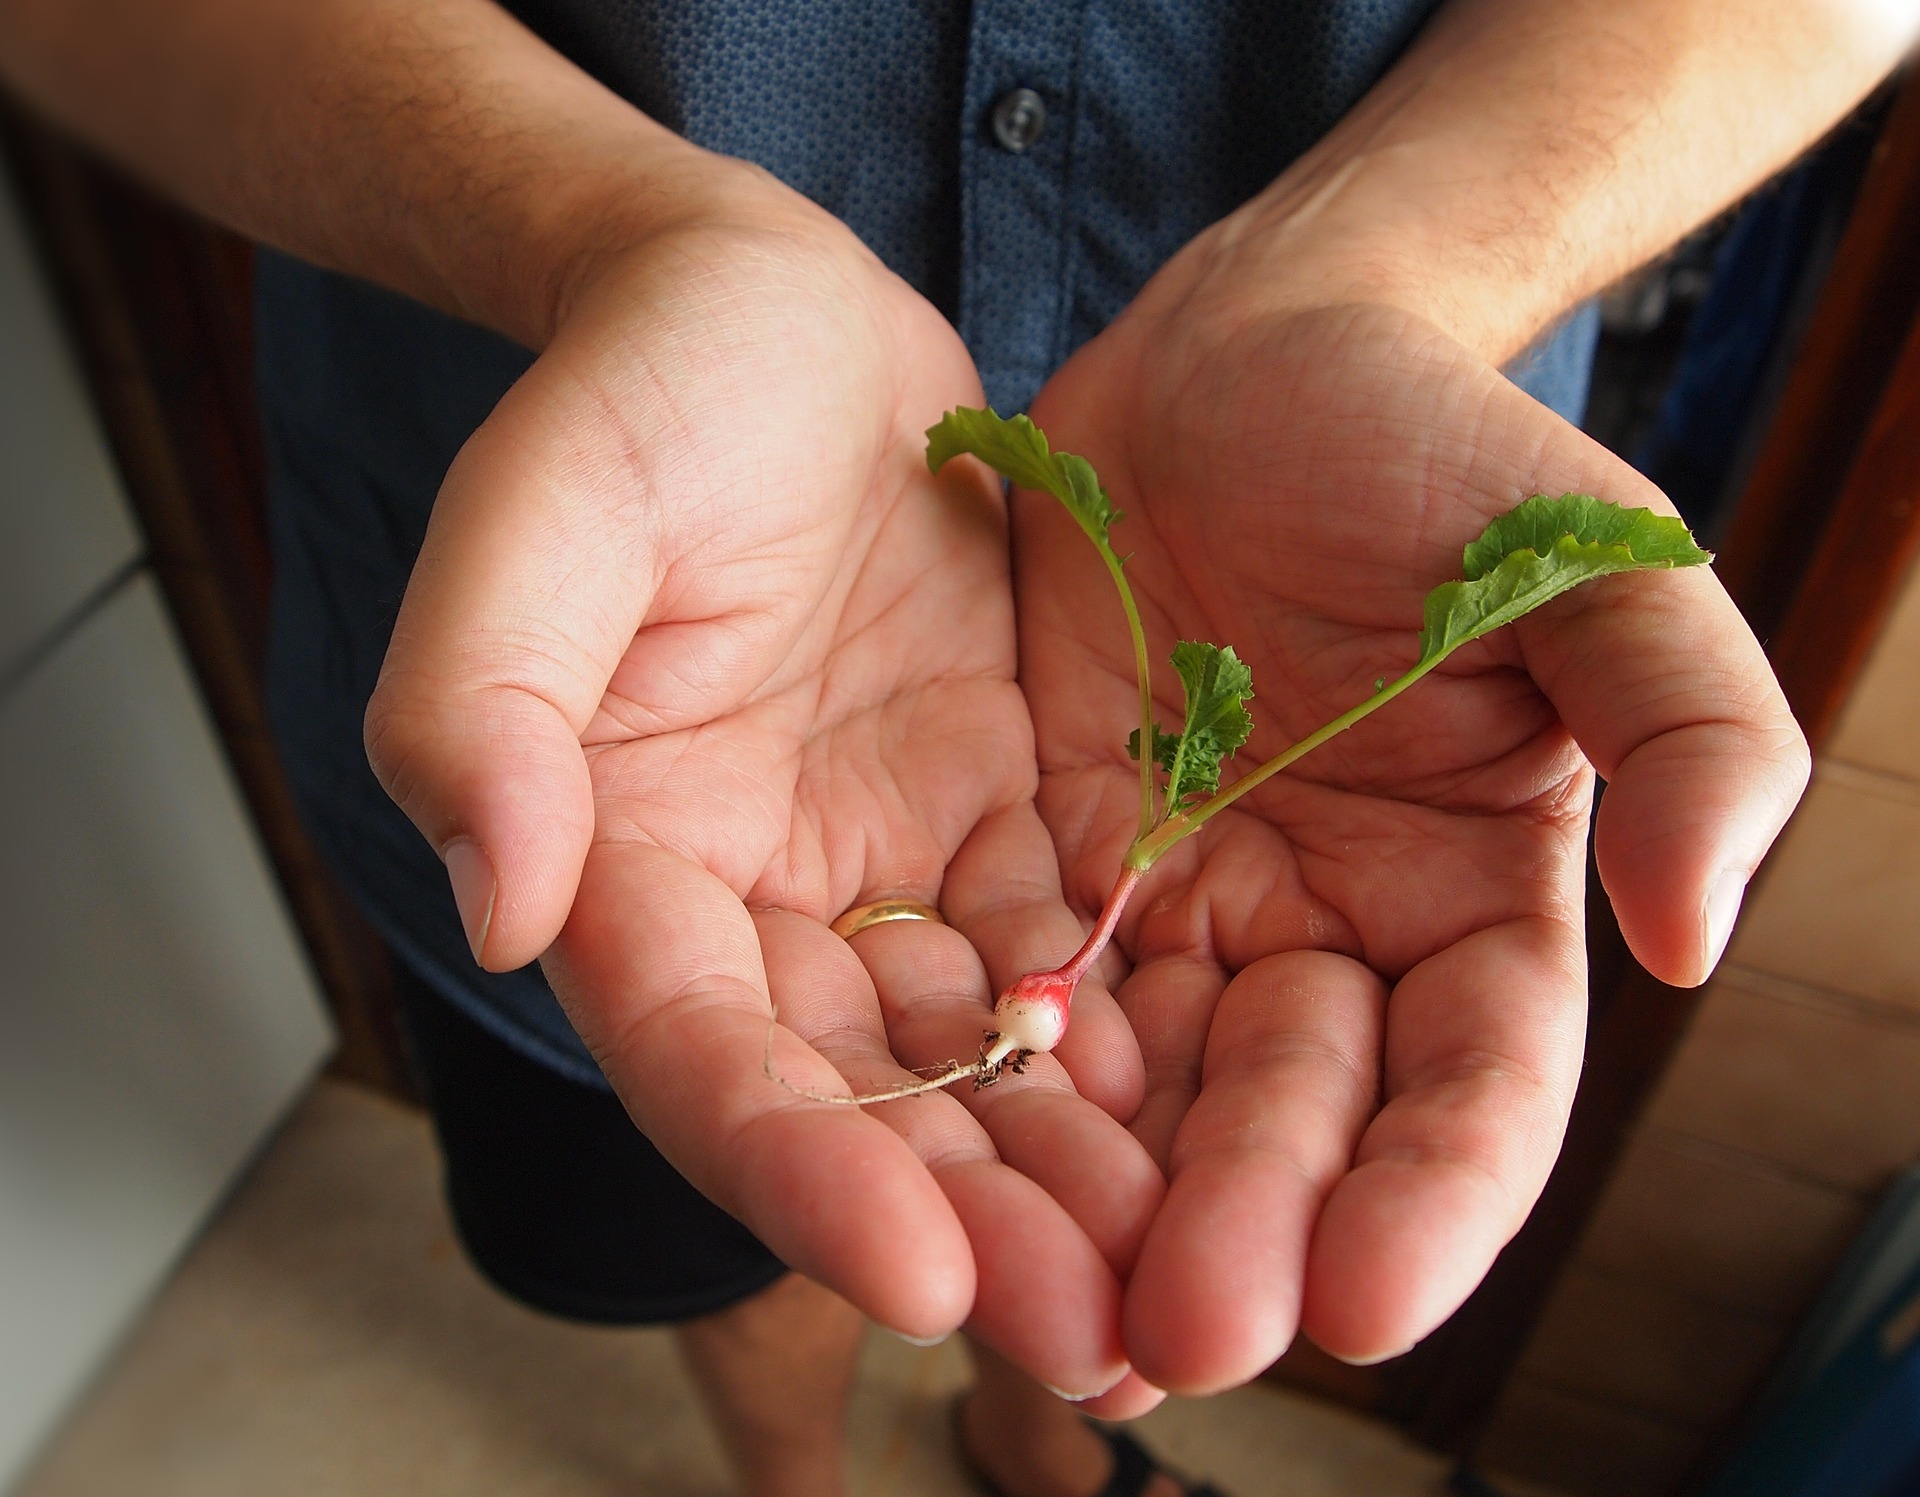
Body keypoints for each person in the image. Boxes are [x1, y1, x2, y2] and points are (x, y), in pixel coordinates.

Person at [3, 1, 1913, 1494]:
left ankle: (1038, 1436)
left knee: (1102, 1208)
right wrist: (604, 224)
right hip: (640, 640)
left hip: (1341, 475)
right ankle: (788, 1483)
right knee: (708, 1204)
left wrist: (1370, 272)